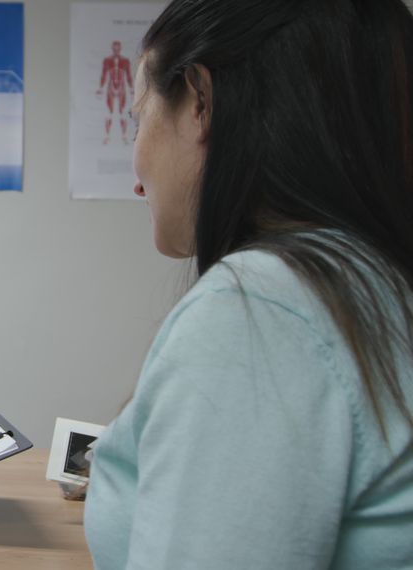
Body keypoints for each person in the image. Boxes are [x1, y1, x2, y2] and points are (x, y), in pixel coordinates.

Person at [85, 0, 413, 568]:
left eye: (140, 119)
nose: (136, 178)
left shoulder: (263, 309)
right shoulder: (373, 280)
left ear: (202, 102)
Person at [95, 40, 133, 145]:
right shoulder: (107, 60)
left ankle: (124, 136)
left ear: (120, 49)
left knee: (123, 113)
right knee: (109, 113)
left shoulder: (125, 61)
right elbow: (103, 75)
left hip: (122, 88)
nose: (116, 50)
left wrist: (131, 89)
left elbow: (129, 75)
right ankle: (107, 136)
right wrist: (101, 88)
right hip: (110, 88)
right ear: (112, 48)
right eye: (114, 48)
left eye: (118, 48)